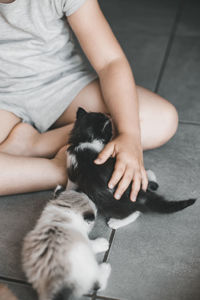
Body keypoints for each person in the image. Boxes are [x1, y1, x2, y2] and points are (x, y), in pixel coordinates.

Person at [0, 0, 178, 199]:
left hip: (65, 85)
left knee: (161, 119)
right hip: (4, 100)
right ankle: (60, 169)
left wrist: (129, 134)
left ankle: (35, 145)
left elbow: (110, 62)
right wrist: (63, 170)